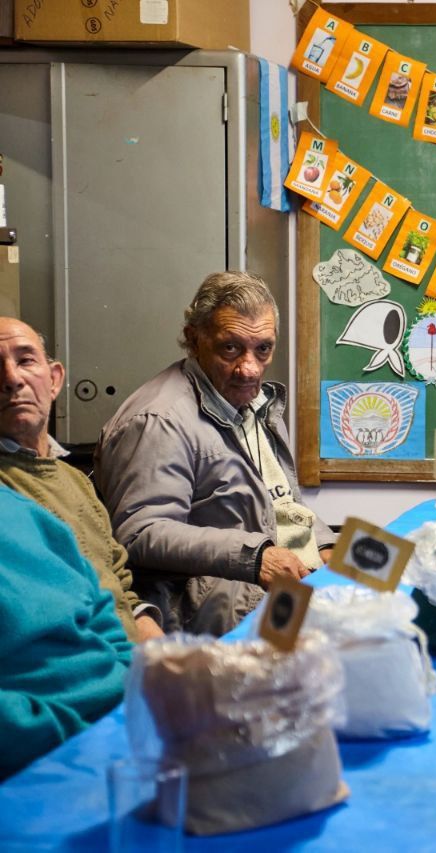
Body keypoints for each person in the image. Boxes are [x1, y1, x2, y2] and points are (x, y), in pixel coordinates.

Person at [95, 272, 335, 635]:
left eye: (263, 349)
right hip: (208, 612)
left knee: (393, 596)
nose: (249, 368)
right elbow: (140, 533)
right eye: (230, 348)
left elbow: (281, 504)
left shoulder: (255, 403)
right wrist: (254, 556)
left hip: (265, 587)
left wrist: (327, 546)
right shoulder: (158, 420)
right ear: (194, 339)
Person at [0, 317, 162, 642]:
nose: (11, 378)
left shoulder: (76, 481)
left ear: (55, 379)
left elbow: (120, 588)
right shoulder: (7, 496)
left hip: (128, 667)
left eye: (26, 360)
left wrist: (168, 656)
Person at [0, 486, 131, 780]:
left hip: (126, 728)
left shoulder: (28, 513)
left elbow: (106, 620)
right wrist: (83, 741)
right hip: (45, 764)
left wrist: (147, 689)